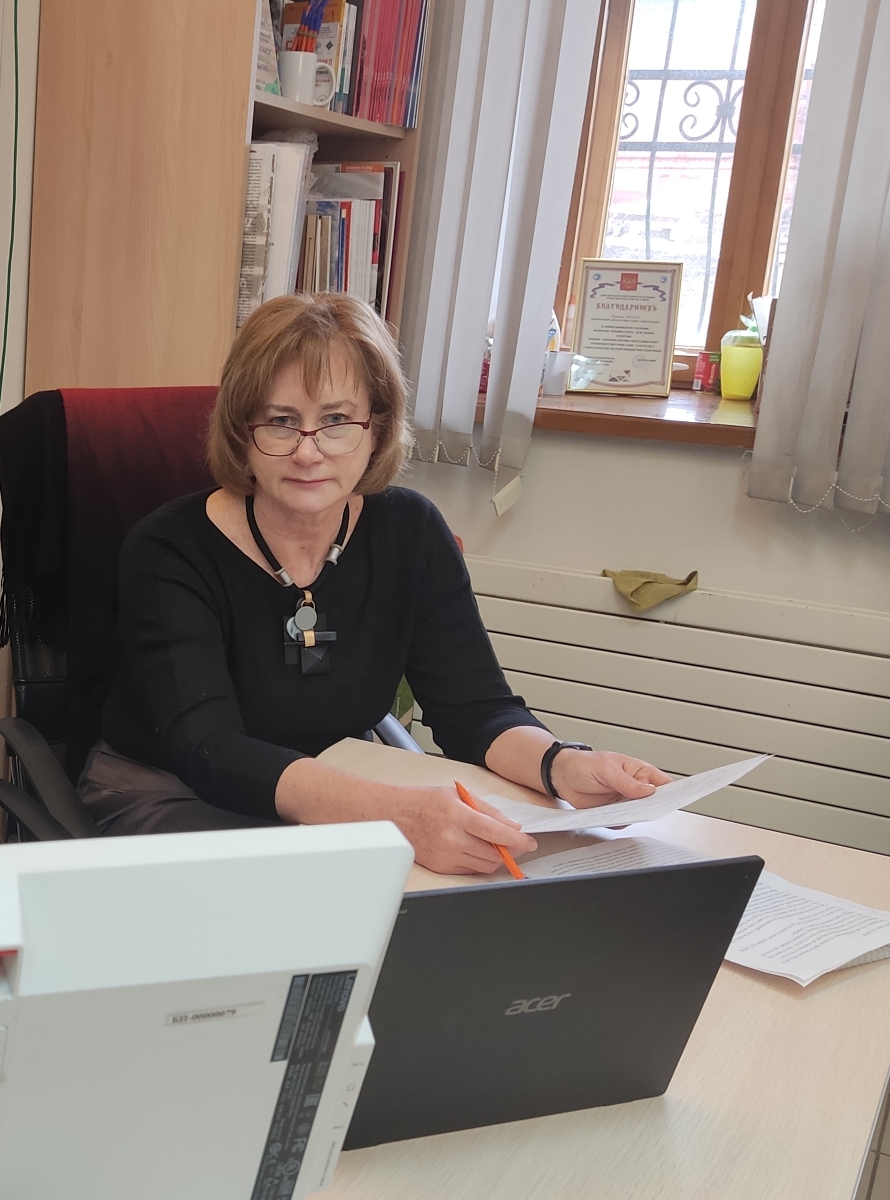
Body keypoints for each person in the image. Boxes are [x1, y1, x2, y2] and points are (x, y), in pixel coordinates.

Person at [81, 294, 670, 875]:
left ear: (377, 427)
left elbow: (474, 707)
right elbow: (209, 748)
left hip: (339, 793)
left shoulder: (409, 531)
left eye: (336, 420)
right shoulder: (170, 550)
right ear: (241, 431)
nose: (307, 451)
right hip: (175, 797)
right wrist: (393, 814)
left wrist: (562, 766)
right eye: (281, 421)